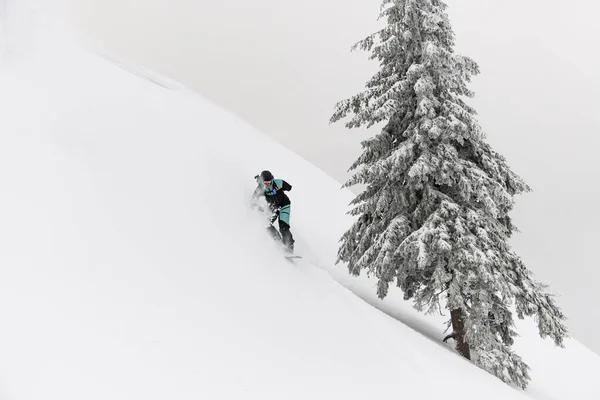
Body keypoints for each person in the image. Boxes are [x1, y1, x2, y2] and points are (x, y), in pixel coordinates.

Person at [251, 170, 295, 253]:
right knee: (266, 224)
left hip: (284, 205)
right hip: (274, 208)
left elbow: (289, 187)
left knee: (283, 227)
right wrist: (258, 207)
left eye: (269, 182)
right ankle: (279, 242)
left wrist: (281, 188)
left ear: (272, 180)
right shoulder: (260, 188)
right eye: (265, 182)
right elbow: (253, 201)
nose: (267, 184)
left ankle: (289, 248)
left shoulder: (278, 183)